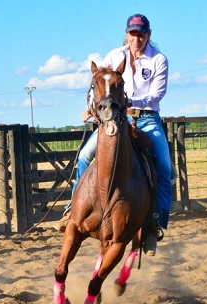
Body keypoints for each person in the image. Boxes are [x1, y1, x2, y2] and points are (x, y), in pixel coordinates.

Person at [55, 13, 171, 256]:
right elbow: (98, 86)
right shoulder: (113, 56)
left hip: (147, 117)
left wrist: (125, 101)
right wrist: (92, 107)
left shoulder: (158, 59)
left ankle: (154, 223)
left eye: (141, 34)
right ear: (126, 34)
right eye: (132, 33)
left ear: (148, 35)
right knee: (86, 155)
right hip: (116, 117)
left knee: (164, 167)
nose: (136, 38)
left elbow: (157, 94)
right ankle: (71, 210)